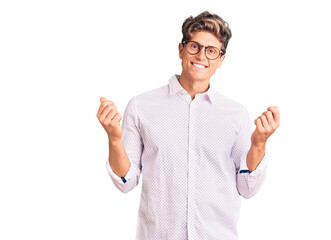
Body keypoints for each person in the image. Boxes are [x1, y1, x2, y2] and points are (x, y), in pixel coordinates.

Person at [96, 11, 280, 240]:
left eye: (211, 51)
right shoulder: (141, 106)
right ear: (181, 49)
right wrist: (114, 139)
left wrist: (259, 143)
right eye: (195, 46)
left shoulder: (236, 114)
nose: (202, 55)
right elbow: (126, 182)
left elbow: (247, 188)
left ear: (221, 59)